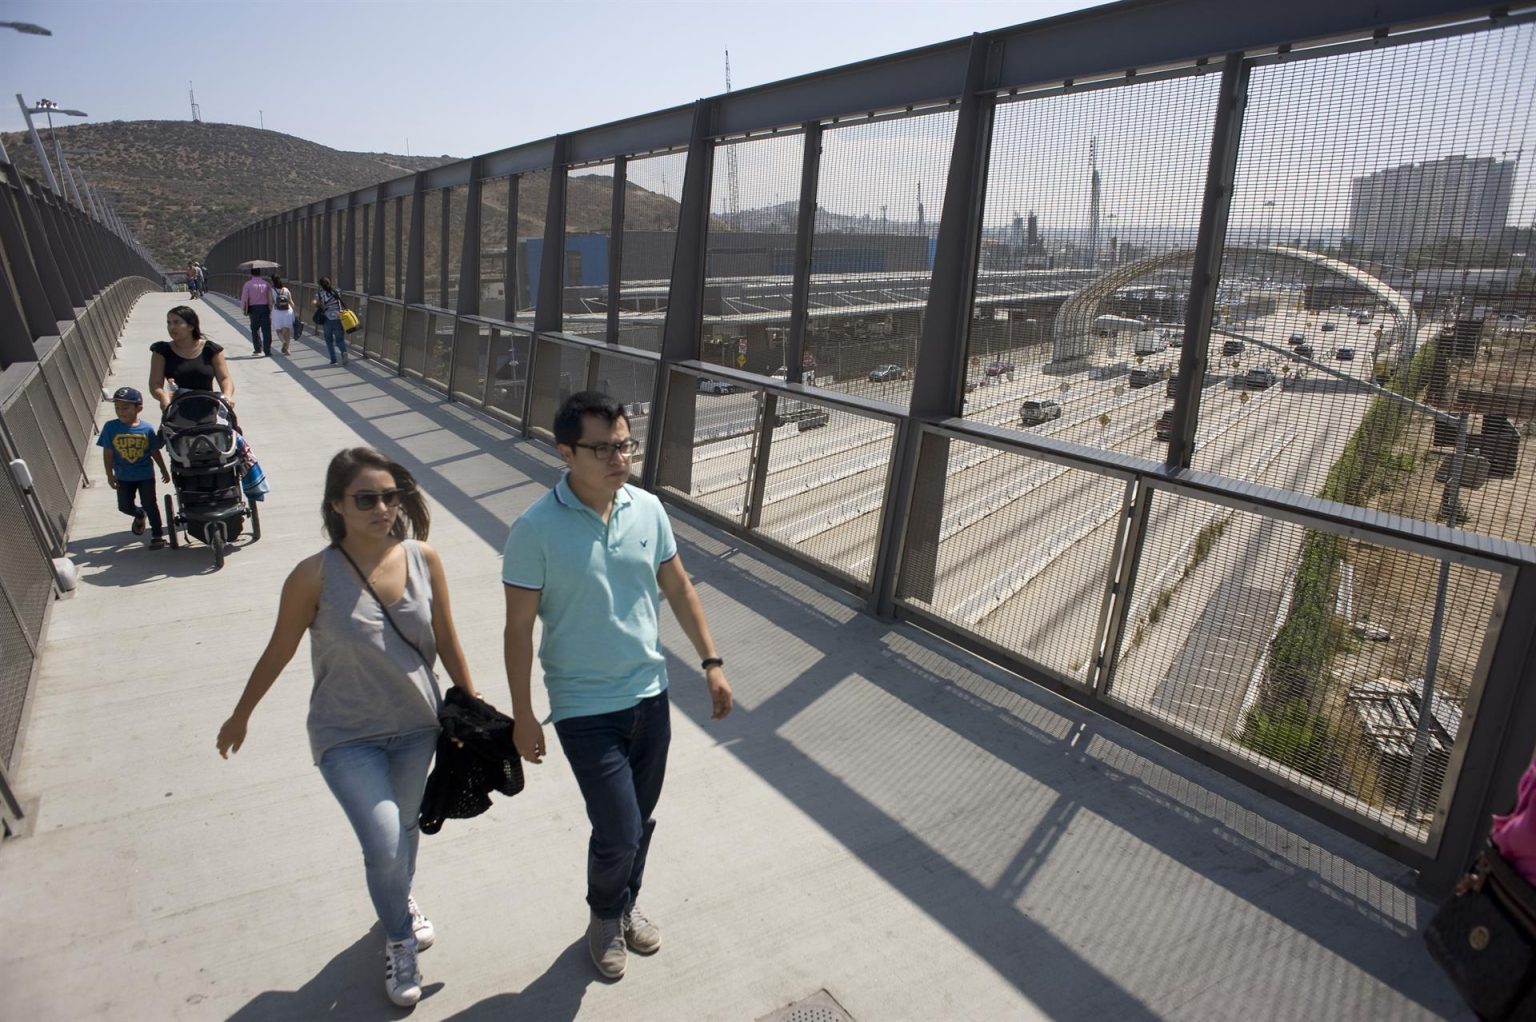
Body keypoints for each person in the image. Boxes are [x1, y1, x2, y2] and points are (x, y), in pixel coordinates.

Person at [216, 447, 480, 1008]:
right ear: (337, 505)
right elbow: (279, 649)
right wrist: (242, 713)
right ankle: (399, 936)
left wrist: (475, 705)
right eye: (366, 498)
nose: (382, 507)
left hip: (416, 725)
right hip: (344, 734)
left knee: (406, 829)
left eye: (390, 496)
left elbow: (448, 639)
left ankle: (396, 902)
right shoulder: (313, 576)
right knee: (384, 840)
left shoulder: (423, 559)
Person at [501, 391, 733, 981]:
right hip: (583, 705)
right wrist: (523, 714)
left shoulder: (649, 509)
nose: (618, 457)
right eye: (602, 447)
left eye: (625, 444)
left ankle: (624, 904)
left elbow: (679, 588)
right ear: (565, 451)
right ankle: (605, 916)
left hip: (650, 695)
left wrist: (711, 662)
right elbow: (519, 629)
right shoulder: (535, 529)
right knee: (620, 826)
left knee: (639, 820)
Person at [97, 386, 171, 549]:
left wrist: (163, 469)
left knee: (150, 504)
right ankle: (139, 514)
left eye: (125, 408)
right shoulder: (110, 427)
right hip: (123, 476)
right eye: (117, 408)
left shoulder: (146, 429)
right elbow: (108, 453)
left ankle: (157, 535)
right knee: (124, 506)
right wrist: (109, 475)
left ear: (139, 408)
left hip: (145, 475)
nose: (121, 412)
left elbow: (154, 452)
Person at [149, 305, 235, 413]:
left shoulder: (211, 350)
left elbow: (224, 378)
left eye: (177, 322)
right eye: (169, 323)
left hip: (208, 408)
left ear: (191, 326)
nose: (171, 327)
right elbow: (155, 384)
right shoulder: (161, 351)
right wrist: (163, 398)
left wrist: (227, 395)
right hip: (177, 409)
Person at [314, 276, 349, 366]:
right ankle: (343, 352)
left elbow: (316, 303)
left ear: (321, 285)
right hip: (338, 318)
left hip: (327, 319)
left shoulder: (320, 294)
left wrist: (317, 303)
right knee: (340, 339)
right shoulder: (337, 291)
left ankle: (333, 359)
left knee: (329, 340)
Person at [240, 268, 274, 357]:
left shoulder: (247, 284)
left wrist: (243, 308)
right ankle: (267, 351)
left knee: (254, 329)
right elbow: (270, 297)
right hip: (265, 308)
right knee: (266, 330)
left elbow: (244, 298)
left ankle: (258, 348)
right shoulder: (266, 284)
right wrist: (270, 307)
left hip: (253, 309)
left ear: (251, 274)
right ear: (260, 273)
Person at [270, 275, 297, 356]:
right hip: (287, 311)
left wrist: (270, 313)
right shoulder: (286, 289)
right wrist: (295, 312)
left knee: (278, 331)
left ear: (272, 282)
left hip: (277, 312)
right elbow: (291, 302)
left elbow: (271, 303)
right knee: (287, 331)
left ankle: (283, 342)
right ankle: (287, 350)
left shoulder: (271, 290)